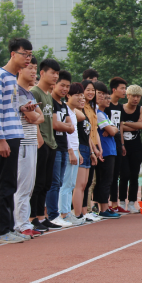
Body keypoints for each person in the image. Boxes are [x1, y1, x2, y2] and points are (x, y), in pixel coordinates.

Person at [0, 37, 34, 243]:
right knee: (5, 184)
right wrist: (0, 139)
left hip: (15, 134)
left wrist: (22, 108)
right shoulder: (0, 76)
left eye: (30, 55)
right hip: (6, 136)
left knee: (11, 184)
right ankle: (2, 230)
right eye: (25, 54)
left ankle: (9, 227)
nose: (28, 59)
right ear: (13, 54)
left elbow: (9, 106)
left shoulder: (12, 78)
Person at [13, 57, 44, 238]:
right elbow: (34, 117)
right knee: (22, 186)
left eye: (35, 68)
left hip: (32, 142)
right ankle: (20, 224)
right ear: (20, 70)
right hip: (23, 143)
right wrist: (34, 116)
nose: (33, 72)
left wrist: (34, 116)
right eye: (30, 68)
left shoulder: (29, 94)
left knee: (29, 186)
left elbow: (40, 117)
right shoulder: (17, 92)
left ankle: (23, 222)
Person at [30, 58, 60, 231]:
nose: (55, 76)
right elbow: (32, 119)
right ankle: (32, 217)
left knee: (46, 183)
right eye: (52, 73)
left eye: (57, 73)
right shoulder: (35, 92)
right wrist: (39, 138)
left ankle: (41, 217)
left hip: (51, 143)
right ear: (42, 73)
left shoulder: (48, 95)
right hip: (40, 143)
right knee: (38, 182)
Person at [47, 70, 75, 227]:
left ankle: (56, 214)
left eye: (67, 86)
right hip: (54, 146)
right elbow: (55, 124)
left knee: (59, 182)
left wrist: (64, 126)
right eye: (62, 85)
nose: (65, 89)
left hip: (63, 146)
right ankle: (53, 215)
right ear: (54, 85)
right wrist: (65, 126)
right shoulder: (50, 102)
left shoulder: (63, 105)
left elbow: (71, 127)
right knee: (54, 182)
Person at [57, 83, 86, 226]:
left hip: (74, 150)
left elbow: (75, 135)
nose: (81, 98)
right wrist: (70, 152)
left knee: (71, 184)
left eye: (82, 95)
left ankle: (67, 212)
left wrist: (78, 152)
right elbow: (66, 134)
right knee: (66, 184)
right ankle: (64, 213)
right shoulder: (65, 110)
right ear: (68, 95)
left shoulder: (73, 112)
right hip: (69, 151)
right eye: (77, 95)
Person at [94, 81, 120, 219]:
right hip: (105, 150)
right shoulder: (98, 114)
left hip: (110, 150)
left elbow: (115, 129)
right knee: (105, 180)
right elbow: (112, 130)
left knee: (107, 180)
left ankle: (104, 207)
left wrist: (112, 129)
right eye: (104, 96)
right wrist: (112, 129)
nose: (107, 99)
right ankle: (103, 208)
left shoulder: (104, 114)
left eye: (108, 97)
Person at [74, 81, 99, 223]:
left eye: (83, 98)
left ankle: (84, 212)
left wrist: (92, 151)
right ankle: (77, 213)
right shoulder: (75, 113)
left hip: (86, 148)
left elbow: (88, 134)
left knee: (85, 184)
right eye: (80, 96)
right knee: (79, 185)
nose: (82, 100)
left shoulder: (86, 112)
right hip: (79, 148)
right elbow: (74, 135)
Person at [121, 85, 142, 214]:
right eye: (133, 96)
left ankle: (131, 203)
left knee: (134, 175)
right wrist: (135, 125)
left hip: (136, 147)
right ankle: (121, 202)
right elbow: (118, 126)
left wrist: (124, 123)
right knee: (124, 174)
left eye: (138, 97)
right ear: (128, 96)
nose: (136, 99)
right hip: (123, 146)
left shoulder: (141, 109)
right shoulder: (120, 108)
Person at [80, 80, 102, 222]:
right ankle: (85, 210)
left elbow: (95, 130)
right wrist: (92, 150)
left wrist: (99, 148)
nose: (90, 92)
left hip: (93, 145)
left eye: (92, 90)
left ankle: (87, 210)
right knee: (84, 182)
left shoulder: (92, 108)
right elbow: (85, 131)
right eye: (87, 89)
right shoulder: (82, 107)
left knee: (90, 182)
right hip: (85, 146)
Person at [105, 77, 127, 214]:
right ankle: (103, 204)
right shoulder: (106, 106)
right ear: (114, 89)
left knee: (116, 174)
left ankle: (114, 204)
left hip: (118, 142)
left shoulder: (120, 107)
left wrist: (122, 143)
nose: (125, 91)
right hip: (107, 142)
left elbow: (121, 126)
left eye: (125, 88)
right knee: (107, 174)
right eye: (122, 88)